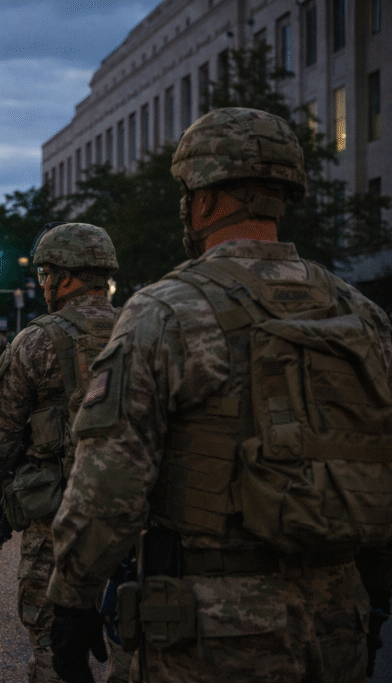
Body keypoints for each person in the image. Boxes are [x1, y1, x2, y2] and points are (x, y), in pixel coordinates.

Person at [47, 107, 392, 683]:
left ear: (202, 201)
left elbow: (110, 484)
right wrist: (375, 593)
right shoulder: (363, 314)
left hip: (209, 630)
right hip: (339, 623)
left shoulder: (167, 310)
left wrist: (71, 602)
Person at [0, 223, 131, 683]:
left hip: (58, 520)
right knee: (133, 644)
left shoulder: (37, 340)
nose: (43, 283)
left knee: (52, 646)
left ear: (64, 278)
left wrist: (10, 489)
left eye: (46, 273)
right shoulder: (143, 328)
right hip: (136, 518)